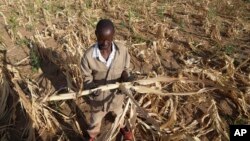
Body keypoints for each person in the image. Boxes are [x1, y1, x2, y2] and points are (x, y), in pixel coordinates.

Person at [81, 19, 133, 141]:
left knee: (119, 115)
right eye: (101, 39)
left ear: (113, 35)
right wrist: (91, 87)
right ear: (96, 34)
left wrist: (126, 77)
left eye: (108, 40)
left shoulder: (122, 51)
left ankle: (124, 129)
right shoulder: (88, 57)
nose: (104, 43)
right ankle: (92, 135)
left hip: (116, 98)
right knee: (95, 120)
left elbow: (126, 68)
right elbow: (86, 77)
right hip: (98, 101)